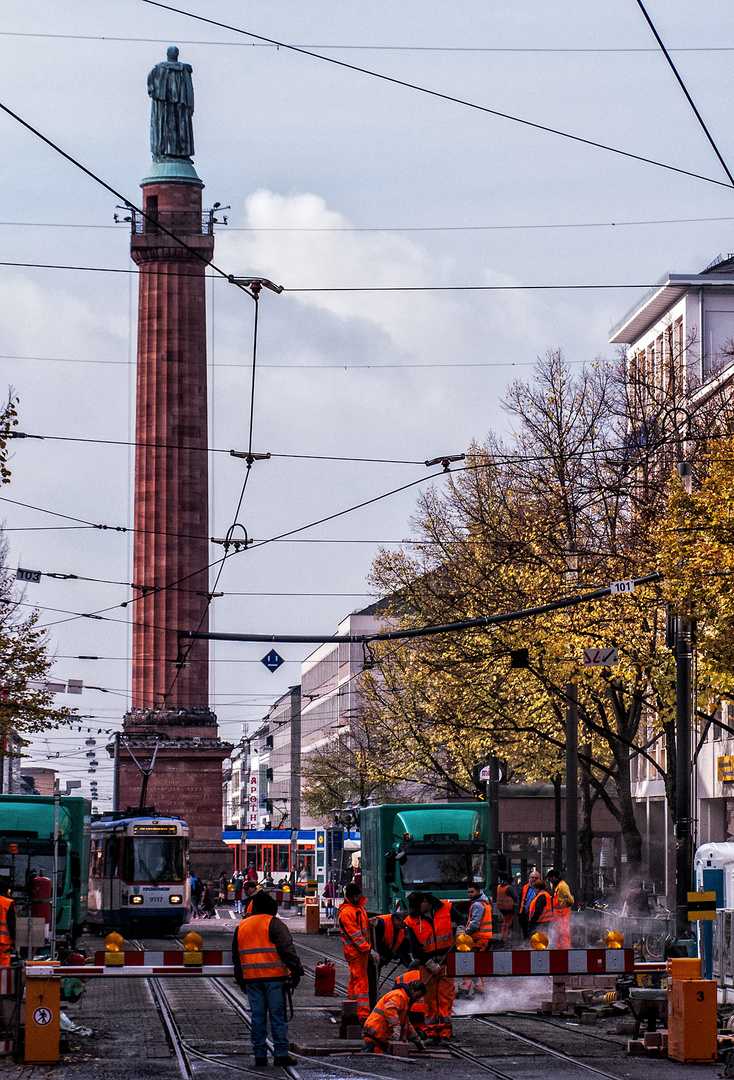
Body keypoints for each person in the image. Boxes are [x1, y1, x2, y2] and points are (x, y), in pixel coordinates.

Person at [233, 890, 304, 1067]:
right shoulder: (274, 924)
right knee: (277, 1016)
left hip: (252, 980)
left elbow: (236, 957)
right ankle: (280, 1054)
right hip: (274, 979)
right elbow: (287, 950)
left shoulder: (241, 926)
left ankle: (259, 1055)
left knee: (257, 1017)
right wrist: (297, 971)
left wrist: (241, 979)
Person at [404, 890, 462, 1047]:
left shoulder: (446, 908)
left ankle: (444, 1033)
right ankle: (431, 1032)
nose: (415, 912)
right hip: (427, 965)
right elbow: (415, 948)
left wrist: (461, 929)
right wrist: (429, 963)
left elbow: (461, 919)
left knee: (445, 998)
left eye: (417, 907)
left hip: (446, 962)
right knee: (429, 1000)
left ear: (424, 902)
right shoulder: (412, 921)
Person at [362, 979, 427, 1055]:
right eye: (417, 996)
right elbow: (389, 1008)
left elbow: (405, 1023)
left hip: (377, 1034)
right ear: (412, 990)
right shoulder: (399, 996)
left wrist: (417, 1040)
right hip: (377, 1035)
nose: (417, 999)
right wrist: (396, 1027)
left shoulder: (404, 999)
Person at [338, 883, 372, 1022]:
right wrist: (368, 949)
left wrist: (370, 921)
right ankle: (363, 1014)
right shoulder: (347, 912)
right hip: (356, 953)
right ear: (349, 897)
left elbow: (360, 928)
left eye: (357, 895)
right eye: (354, 896)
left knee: (355, 981)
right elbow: (355, 935)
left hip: (359, 953)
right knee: (361, 982)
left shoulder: (358, 908)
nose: (357, 898)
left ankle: (351, 1008)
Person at [367, 910, 411, 1008]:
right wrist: (389, 954)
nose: (403, 927)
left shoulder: (401, 930)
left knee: (374, 984)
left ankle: (372, 1005)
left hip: (381, 960)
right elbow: (376, 942)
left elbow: (402, 949)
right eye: (402, 924)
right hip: (371, 959)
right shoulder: (381, 923)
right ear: (397, 919)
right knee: (371, 985)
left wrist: (410, 964)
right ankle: (370, 1008)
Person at [460, 883, 493, 997]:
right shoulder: (483, 904)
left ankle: (479, 989)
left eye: (472, 892)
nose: (469, 894)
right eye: (468, 892)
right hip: (482, 938)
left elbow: (474, 924)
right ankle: (466, 988)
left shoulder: (478, 905)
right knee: (475, 963)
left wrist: (464, 935)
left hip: (478, 939)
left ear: (478, 892)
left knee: (472, 964)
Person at [546, 868, 574, 949]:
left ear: (554, 877)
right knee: (559, 933)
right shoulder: (558, 886)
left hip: (563, 914)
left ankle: (565, 950)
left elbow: (570, 900)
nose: (550, 880)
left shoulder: (562, 886)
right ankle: (561, 949)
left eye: (550, 878)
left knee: (564, 933)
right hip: (559, 914)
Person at [496, 875, 520, 941]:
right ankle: (505, 937)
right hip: (508, 908)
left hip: (501, 908)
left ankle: (505, 935)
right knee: (508, 922)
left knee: (506, 921)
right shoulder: (509, 888)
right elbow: (516, 897)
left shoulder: (499, 887)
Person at [518, 869, 540, 938]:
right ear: (529, 878)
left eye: (536, 878)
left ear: (539, 879)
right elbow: (521, 899)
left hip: (535, 916)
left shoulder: (541, 888)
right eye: (532, 877)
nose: (533, 879)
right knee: (526, 934)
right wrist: (520, 914)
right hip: (525, 915)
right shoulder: (525, 887)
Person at [0, 883, 16, 967]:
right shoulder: (7, 903)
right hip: (3, 942)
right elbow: (12, 924)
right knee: (2, 969)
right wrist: (14, 939)